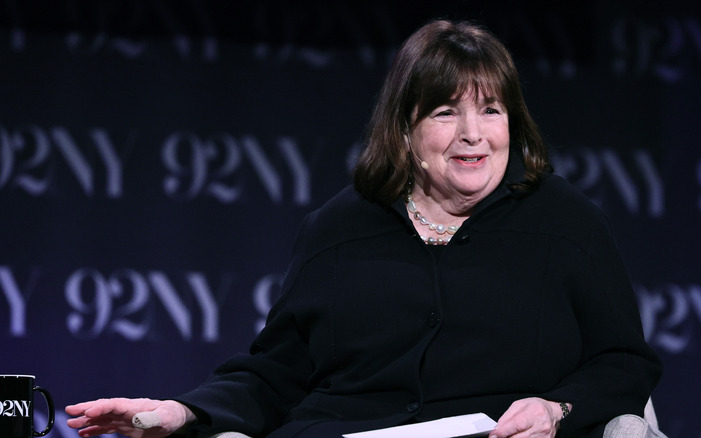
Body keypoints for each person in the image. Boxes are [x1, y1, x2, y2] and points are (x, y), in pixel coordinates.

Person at [66, 19, 662, 438]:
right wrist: (185, 412)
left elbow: (625, 361)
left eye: (491, 109)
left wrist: (558, 408)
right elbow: (277, 372)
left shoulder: (565, 223)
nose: (474, 134)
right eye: (446, 111)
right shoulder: (339, 228)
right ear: (405, 128)